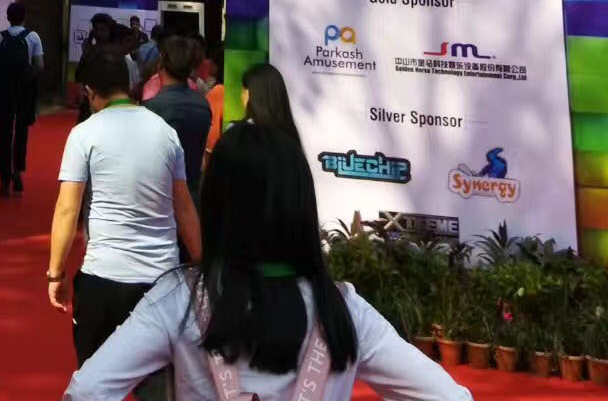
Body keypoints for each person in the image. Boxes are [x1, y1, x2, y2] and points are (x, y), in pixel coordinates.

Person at [63, 125, 473, 401]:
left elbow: (87, 391)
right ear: (301, 206)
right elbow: (450, 397)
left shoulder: (180, 298)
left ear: (217, 206)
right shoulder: (343, 308)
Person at [48, 45, 201, 390]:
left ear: (90, 91)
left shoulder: (84, 134)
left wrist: (56, 273)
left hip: (102, 279)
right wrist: (201, 261)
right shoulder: (165, 132)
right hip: (161, 282)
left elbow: (68, 208)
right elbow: (184, 206)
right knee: (159, 387)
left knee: (95, 384)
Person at [143, 35, 213, 198]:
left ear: (161, 62)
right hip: (192, 191)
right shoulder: (203, 104)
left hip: (160, 196)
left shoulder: (153, 108)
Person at [0, 0, 43, 196]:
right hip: (24, 91)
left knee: (5, 133)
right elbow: (39, 66)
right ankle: (17, 172)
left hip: (5, 91)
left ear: (8, 17)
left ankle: (4, 180)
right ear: (24, 17)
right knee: (21, 132)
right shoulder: (33, 37)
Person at [241, 60, 303, 146]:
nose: (242, 96)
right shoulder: (290, 135)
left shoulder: (239, 135)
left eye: (243, 91)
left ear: (251, 94)